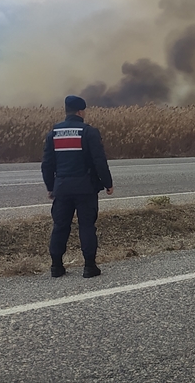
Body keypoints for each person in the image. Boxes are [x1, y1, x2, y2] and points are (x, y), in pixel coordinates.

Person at [42, 95, 114, 278]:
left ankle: (56, 267)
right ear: (81, 112)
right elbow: (99, 161)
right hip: (85, 188)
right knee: (87, 226)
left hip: (62, 188)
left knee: (60, 226)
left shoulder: (54, 133)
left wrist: (51, 187)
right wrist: (108, 183)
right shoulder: (88, 132)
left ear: (66, 111)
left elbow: (47, 164)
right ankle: (89, 267)